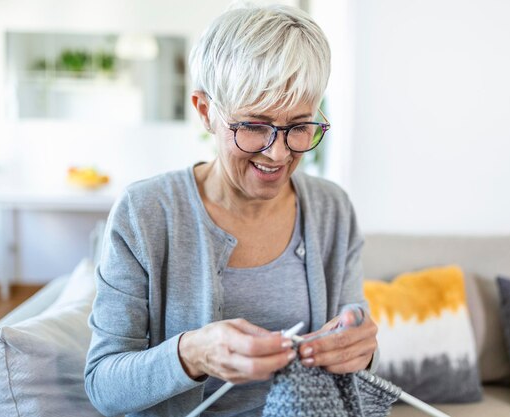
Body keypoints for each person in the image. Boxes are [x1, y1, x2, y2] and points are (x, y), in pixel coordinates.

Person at [84, 4, 378, 417]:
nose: (278, 153)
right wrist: (193, 355)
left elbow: (354, 350)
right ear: (205, 110)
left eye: (298, 126)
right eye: (254, 126)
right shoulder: (144, 212)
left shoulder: (332, 209)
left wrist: (359, 351)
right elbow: (103, 384)